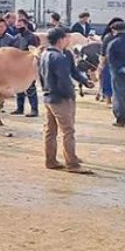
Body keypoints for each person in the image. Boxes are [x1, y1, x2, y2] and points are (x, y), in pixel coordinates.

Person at [40, 27, 94, 173]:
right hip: (61, 98)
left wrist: (84, 81)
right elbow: (64, 80)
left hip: (48, 96)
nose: (69, 40)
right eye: (67, 37)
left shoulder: (47, 54)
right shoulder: (59, 58)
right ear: (60, 40)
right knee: (68, 131)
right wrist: (70, 94)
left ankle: (50, 160)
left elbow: (73, 72)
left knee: (50, 131)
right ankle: (72, 164)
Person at [11, 19, 41, 117]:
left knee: (30, 88)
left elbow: (35, 52)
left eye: (20, 25)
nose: (18, 27)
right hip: (17, 67)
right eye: (17, 26)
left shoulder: (33, 37)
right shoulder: (16, 38)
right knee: (18, 87)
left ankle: (34, 109)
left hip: (29, 66)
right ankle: (20, 108)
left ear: (26, 25)